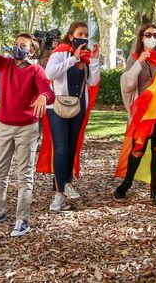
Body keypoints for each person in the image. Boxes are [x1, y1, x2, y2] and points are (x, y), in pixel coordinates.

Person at [0, 9, 54, 237]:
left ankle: (22, 219)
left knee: (24, 175)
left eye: (23, 44)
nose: (18, 47)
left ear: (31, 50)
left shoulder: (36, 70)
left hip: (27, 128)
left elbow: (47, 91)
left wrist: (44, 97)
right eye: (16, 43)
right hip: (5, 126)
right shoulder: (4, 65)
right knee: (0, 172)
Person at [113, 23, 156, 207]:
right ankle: (126, 184)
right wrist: (141, 61)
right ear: (141, 37)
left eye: (155, 35)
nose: (152, 38)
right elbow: (127, 84)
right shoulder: (134, 58)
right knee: (138, 150)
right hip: (143, 114)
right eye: (148, 34)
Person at [39, 22, 101, 211]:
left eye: (86, 34)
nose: (84, 36)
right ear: (71, 36)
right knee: (60, 148)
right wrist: (73, 59)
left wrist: (96, 60)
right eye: (80, 33)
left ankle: (67, 182)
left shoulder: (87, 57)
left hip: (78, 105)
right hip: (57, 106)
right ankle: (58, 194)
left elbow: (93, 81)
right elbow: (49, 73)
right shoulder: (60, 52)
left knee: (72, 146)